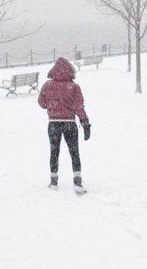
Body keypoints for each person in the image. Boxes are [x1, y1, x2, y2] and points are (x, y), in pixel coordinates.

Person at [38, 57, 91, 194]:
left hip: (53, 124)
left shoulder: (47, 86)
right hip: (70, 123)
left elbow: (42, 103)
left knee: (54, 152)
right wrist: (84, 121)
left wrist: (52, 105)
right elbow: (79, 106)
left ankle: (54, 181)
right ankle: (78, 181)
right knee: (74, 152)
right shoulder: (74, 87)